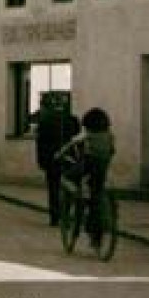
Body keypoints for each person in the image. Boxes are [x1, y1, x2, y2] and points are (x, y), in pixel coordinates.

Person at [56, 107, 116, 249]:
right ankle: (96, 235)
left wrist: (59, 153)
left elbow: (71, 143)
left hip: (88, 164)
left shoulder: (87, 134)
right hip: (103, 167)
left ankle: (76, 193)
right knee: (96, 194)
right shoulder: (110, 135)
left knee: (65, 178)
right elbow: (112, 151)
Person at [34, 92, 81, 228]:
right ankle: (66, 213)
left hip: (52, 159)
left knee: (53, 187)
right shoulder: (72, 120)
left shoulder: (45, 121)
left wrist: (41, 161)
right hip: (69, 157)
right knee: (69, 186)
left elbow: (40, 143)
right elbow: (77, 141)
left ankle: (55, 217)